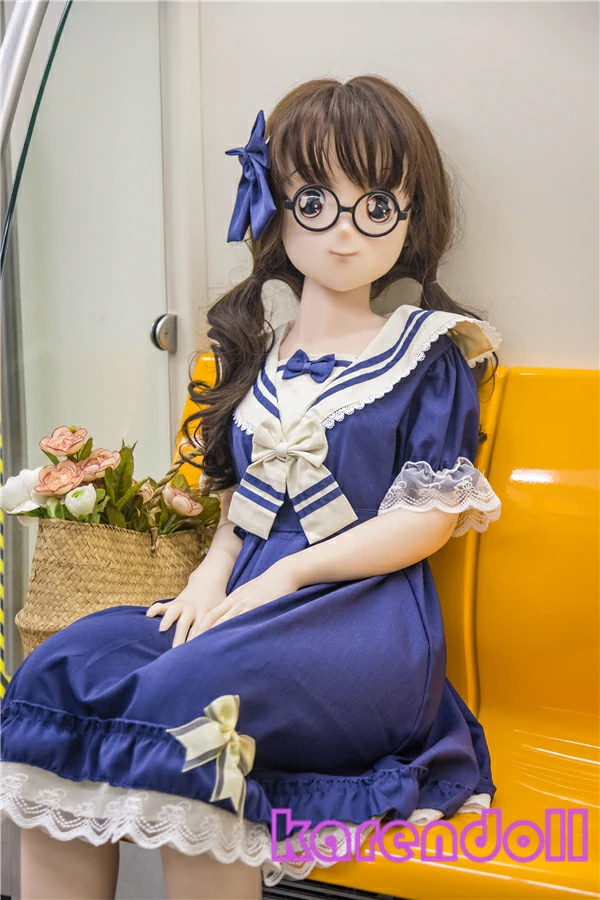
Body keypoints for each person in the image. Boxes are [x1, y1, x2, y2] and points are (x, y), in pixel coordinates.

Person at [0, 75, 503, 899]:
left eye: (377, 206)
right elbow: (243, 506)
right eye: (316, 203)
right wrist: (209, 575)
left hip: (362, 617)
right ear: (274, 206)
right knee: (61, 665)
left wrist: (291, 572)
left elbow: (430, 519)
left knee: (199, 704)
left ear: (412, 216)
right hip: (240, 599)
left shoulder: (428, 353)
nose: (346, 232)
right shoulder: (261, 351)